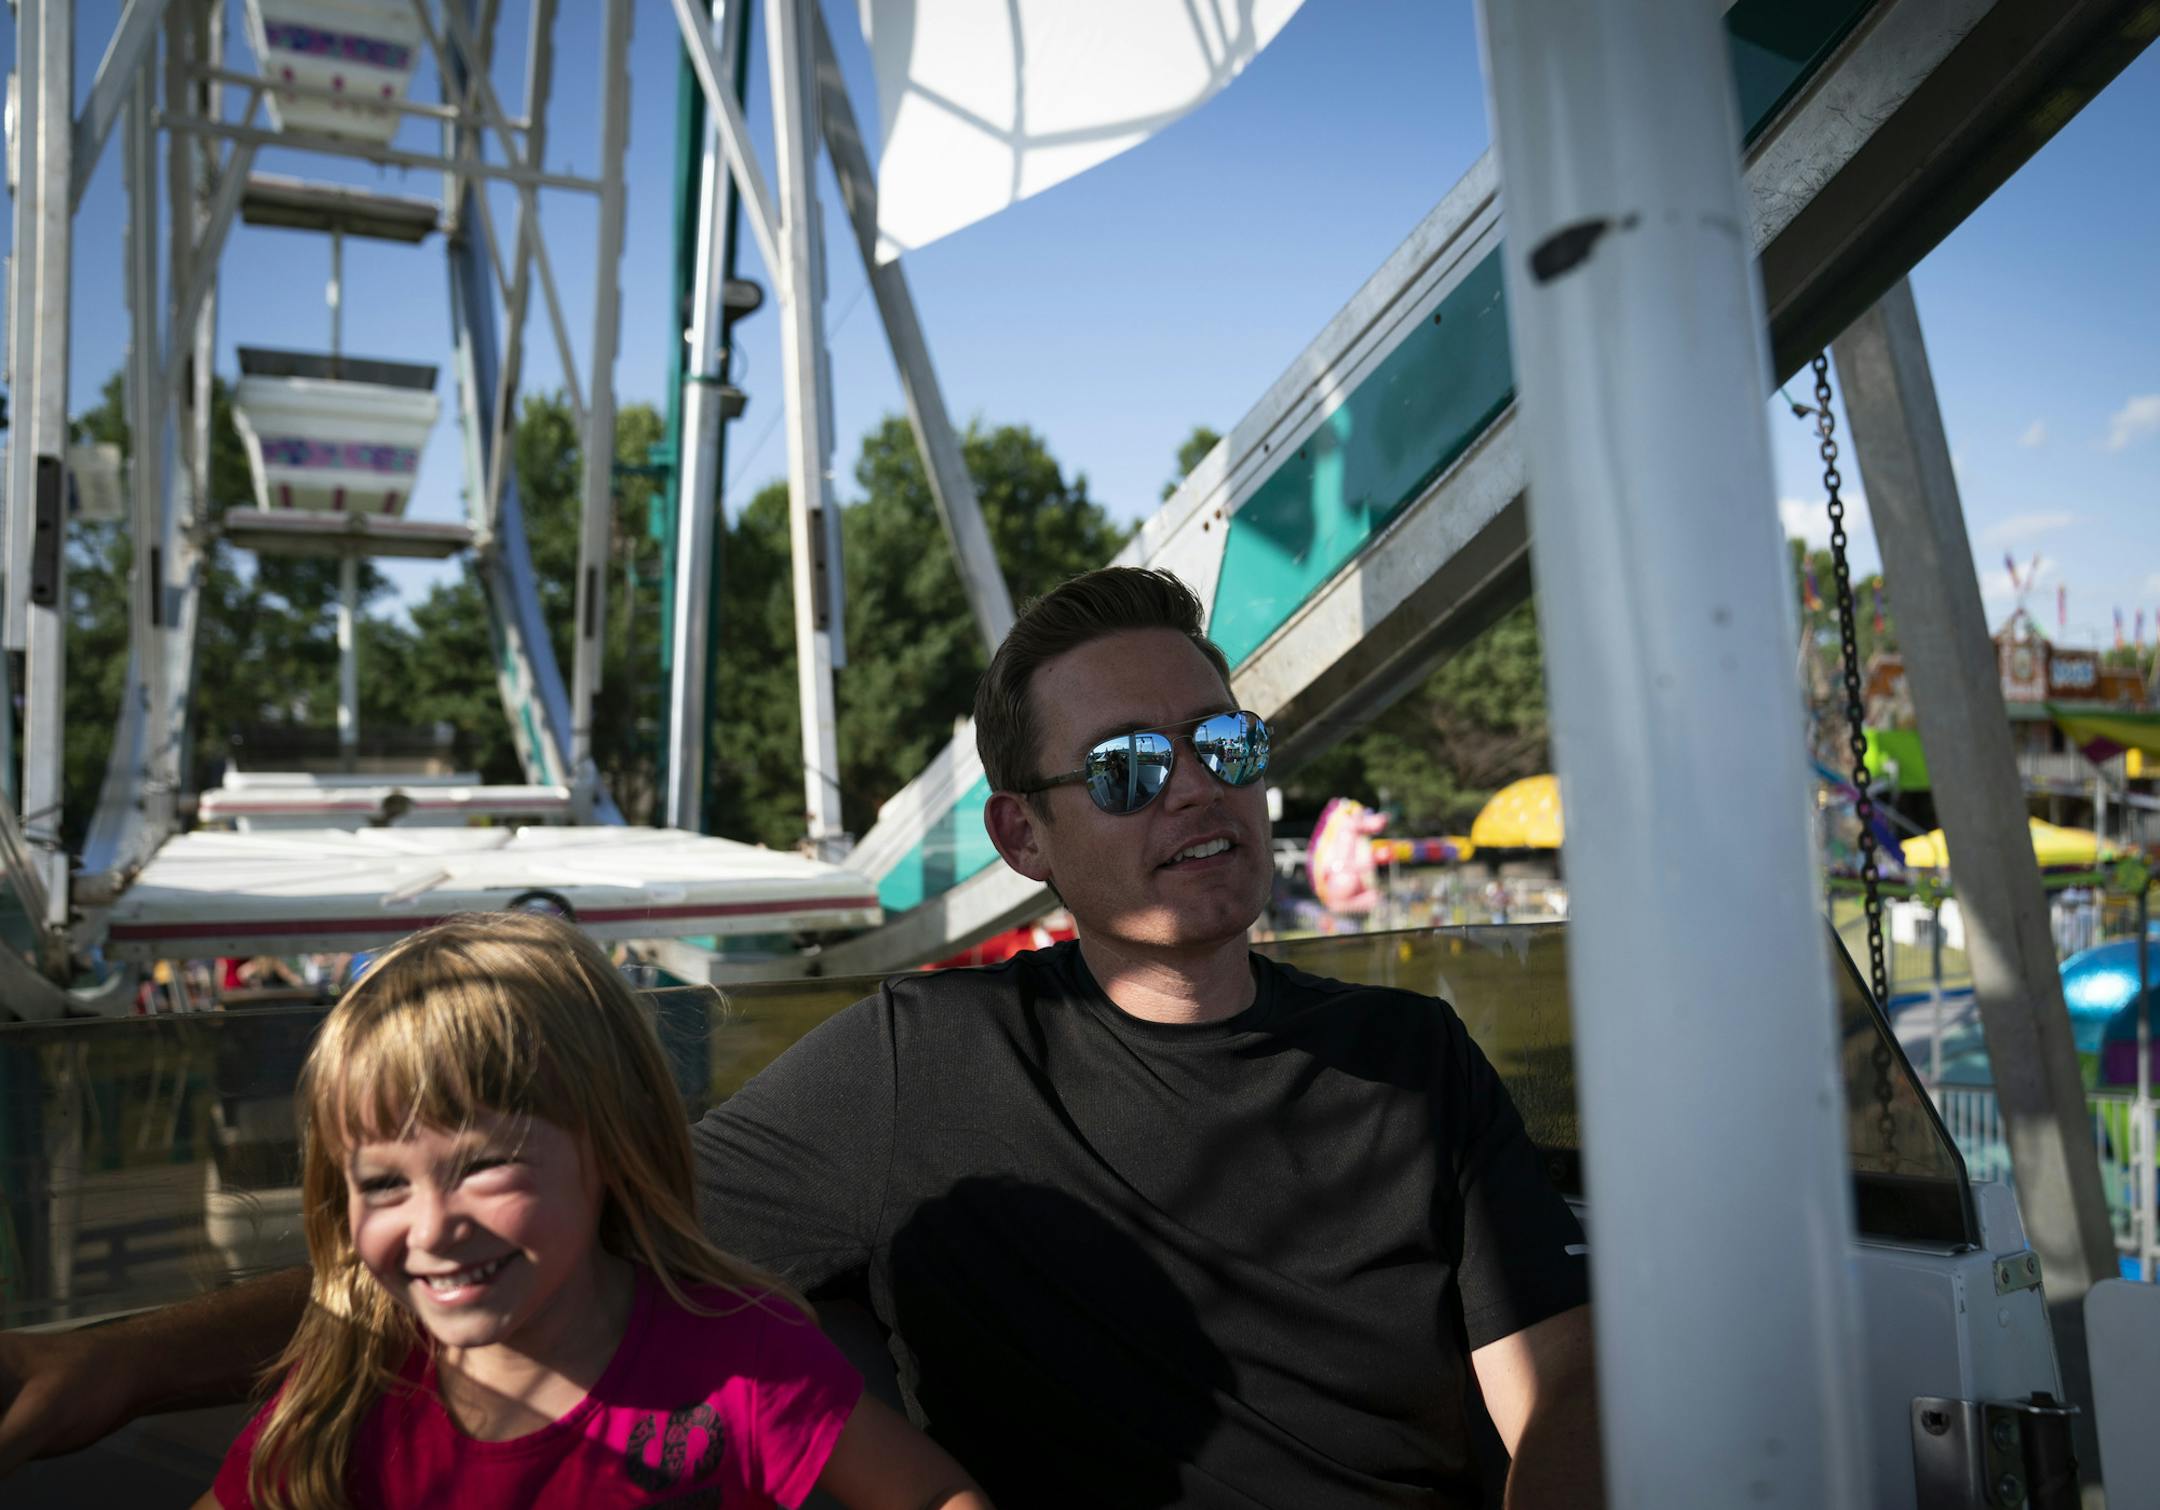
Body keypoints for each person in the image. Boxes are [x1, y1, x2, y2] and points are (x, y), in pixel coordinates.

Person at [1, 568, 1597, 1508]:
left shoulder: (1418, 1057)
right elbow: (524, 1241)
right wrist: (116, 1364)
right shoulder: (922, 1064)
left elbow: (1556, 1403)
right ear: (1024, 835)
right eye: (1121, 769)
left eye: (1220, 745)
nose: (1191, 788)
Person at [192, 912, 987, 1510]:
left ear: (610, 1145)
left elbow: (929, 1497)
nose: (433, 1228)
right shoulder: (341, 1403)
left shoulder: (739, 1358)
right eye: (384, 1184)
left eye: (485, 1166)